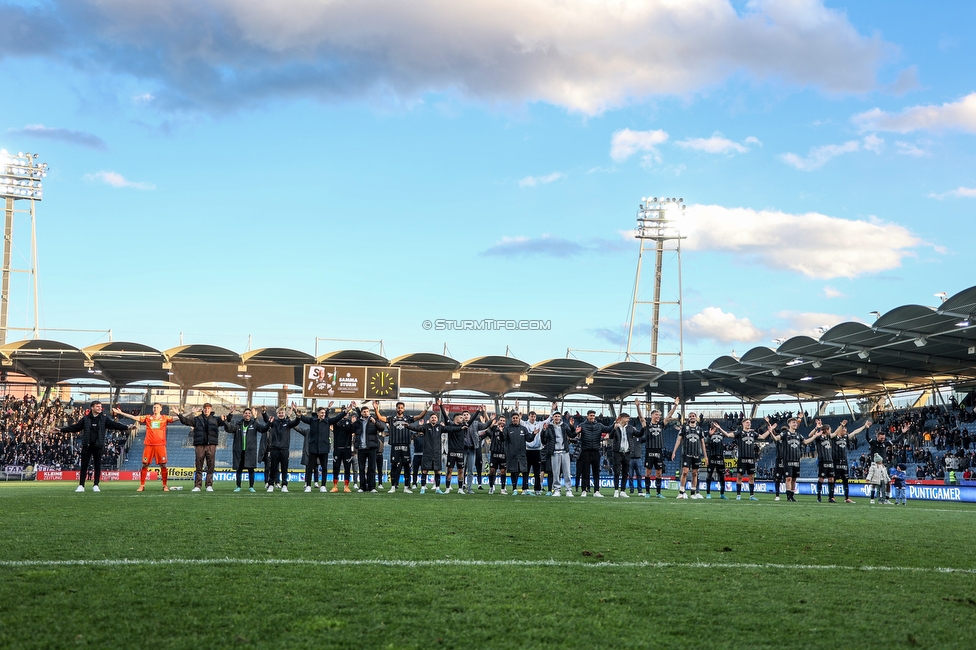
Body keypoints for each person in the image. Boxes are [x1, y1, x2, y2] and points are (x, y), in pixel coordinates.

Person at [57, 400, 130, 492]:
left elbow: (114, 425)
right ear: (92, 407)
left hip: (98, 445)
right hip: (87, 445)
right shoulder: (85, 419)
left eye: (100, 406)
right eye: (97, 406)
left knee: (97, 465)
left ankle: (96, 484)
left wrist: (127, 427)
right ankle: (81, 485)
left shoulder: (104, 419)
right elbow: (75, 427)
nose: (100, 408)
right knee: (84, 465)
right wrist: (61, 430)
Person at [112, 403, 178, 492]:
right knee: (145, 464)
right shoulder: (147, 417)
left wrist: (186, 413)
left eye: (157, 407)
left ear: (161, 409)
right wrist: (122, 413)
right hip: (149, 445)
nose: (155, 409)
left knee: (163, 465)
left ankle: (165, 485)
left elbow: (177, 418)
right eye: (154, 407)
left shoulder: (165, 418)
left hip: (160, 445)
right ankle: (142, 485)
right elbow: (135, 417)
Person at [375, 400, 430, 493]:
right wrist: (376, 408)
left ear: (404, 409)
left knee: (407, 466)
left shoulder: (408, 418)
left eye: (401, 407)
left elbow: (420, 416)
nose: (400, 409)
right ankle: (392, 486)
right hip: (395, 444)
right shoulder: (391, 418)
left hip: (405, 445)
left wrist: (426, 408)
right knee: (393, 466)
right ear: (396, 408)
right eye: (398, 407)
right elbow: (380, 417)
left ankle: (406, 487)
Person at [176, 402, 233, 492]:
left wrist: (230, 414)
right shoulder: (197, 419)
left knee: (211, 465)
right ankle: (197, 486)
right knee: (199, 465)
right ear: (203, 409)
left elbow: (226, 421)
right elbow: (185, 421)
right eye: (205, 408)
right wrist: (179, 414)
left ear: (211, 409)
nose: (207, 410)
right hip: (200, 444)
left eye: (208, 408)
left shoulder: (216, 419)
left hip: (211, 444)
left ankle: (209, 485)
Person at [408, 409, 464, 493]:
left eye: (435, 417)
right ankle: (423, 488)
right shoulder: (425, 427)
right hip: (427, 453)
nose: (433, 419)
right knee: (424, 470)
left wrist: (460, 428)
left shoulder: (440, 427)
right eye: (432, 417)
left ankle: (437, 488)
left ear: (437, 419)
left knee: (437, 471)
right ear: (430, 419)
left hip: (437, 453)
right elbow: (416, 428)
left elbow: (451, 429)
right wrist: (408, 426)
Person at [714, 417, 770, 501]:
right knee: (739, 476)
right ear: (743, 423)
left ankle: (751, 495)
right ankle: (738, 495)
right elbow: (728, 435)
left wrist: (770, 430)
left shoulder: (752, 433)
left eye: (749, 423)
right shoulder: (739, 432)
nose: (749, 424)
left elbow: (762, 437)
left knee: (751, 477)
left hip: (751, 458)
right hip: (742, 458)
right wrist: (720, 428)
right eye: (747, 422)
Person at [297, 402, 345, 493]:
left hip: (324, 447)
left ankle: (323, 485)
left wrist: (345, 412)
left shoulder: (328, 421)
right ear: (318, 413)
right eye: (321, 413)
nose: (323, 414)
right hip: (313, 447)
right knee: (310, 468)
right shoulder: (312, 421)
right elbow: (303, 418)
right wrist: (297, 413)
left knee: (324, 468)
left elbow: (337, 418)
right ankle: (308, 486)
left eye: (324, 413)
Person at [635, 397, 678, 498]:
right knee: (648, 472)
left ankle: (658, 493)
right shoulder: (647, 425)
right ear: (652, 415)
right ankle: (648, 492)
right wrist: (638, 406)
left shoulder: (661, 425)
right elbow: (641, 418)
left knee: (659, 473)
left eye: (659, 415)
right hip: (649, 450)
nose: (658, 416)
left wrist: (675, 405)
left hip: (659, 451)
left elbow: (669, 415)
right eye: (656, 415)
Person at [223, 407, 269, 492]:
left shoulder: (254, 424)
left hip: (250, 451)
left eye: (249, 413)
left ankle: (251, 486)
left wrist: (269, 423)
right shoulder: (238, 424)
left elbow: (263, 429)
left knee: (251, 469)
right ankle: (238, 486)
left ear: (251, 415)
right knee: (239, 469)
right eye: (246, 413)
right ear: (243, 414)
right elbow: (229, 429)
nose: (247, 414)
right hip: (239, 451)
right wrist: (225, 422)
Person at [260, 406, 302, 492]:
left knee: (284, 468)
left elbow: (295, 422)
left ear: (284, 414)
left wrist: (298, 416)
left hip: (284, 449)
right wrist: (264, 413)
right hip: (274, 449)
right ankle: (271, 484)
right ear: (277, 414)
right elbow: (266, 420)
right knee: (273, 468)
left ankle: (284, 485)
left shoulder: (288, 422)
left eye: (282, 413)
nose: (281, 414)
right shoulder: (273, 422)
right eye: (279, 413)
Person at [830, 418, 871, 504]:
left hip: (844, 461)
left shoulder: (846, 437)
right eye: (845, 429)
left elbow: (855, 432)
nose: (846, 431)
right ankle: (831, 497)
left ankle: (847, 498)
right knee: (833, 480)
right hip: (835, 461)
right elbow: (834, 433)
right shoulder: (834, 437)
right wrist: (841, 425)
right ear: (840, 430)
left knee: (846, 480)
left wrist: (864, 426)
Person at [575, 410, 614, 497]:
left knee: (596, 472)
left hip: (596, 451)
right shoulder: (582, 425)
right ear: (587, 416)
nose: (592, 417)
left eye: (593, 415)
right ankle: (584, 490)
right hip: (585, 451)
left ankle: (596, 491)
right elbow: (575, 435)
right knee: (585, 472)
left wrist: (615, 423)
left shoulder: (599, 425)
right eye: (591, 415)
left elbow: (608, 429)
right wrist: (576, 431)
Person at [500, 411, 538, 495]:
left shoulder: (523, 429)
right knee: (514, 472)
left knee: (524, 471)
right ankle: (514, 489)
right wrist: (501, 432)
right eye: (513, 418)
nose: (515, 419)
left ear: (519, 419)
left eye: (516, 418)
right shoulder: (507, 428)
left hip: (522, 454)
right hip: (512, 454)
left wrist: (533, 434)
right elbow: (503, 439)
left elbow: (529, 439)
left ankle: (525, 489)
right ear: (511, 419)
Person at [350, 403, 386, 493]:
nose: (365, 413)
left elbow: (382, 428)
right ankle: (362, 486)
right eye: (363, 412)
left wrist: (376, 422)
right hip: (361, 448)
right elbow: (351, 430)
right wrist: (353, 422)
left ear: (369, 412)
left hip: (372, 447)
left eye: (366, 411)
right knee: (361, 468)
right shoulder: (358, 422)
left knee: (372, 468)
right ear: (361, 413)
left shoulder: (373, 420)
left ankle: (372, 487)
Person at [671, 410, 706, 499]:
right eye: (690, 416)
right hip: (686, 454)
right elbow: (678, 440)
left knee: (695, 473)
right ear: (688, 418)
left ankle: (693, 493)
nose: (692, 417)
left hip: (697, 454)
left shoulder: (699, 429)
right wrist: (674, 452)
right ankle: (682, 492)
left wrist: (705, 456)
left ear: (696, 417)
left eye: (693, 416)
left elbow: (702, 443)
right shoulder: (684, 428)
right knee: (685, 472)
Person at [542, 409, 577, 497]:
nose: (557, 418)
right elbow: (544, 440)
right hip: (554, 452)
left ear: (560, 417)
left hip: (564, 451)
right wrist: (544, 430)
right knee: (556, 473)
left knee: (567, 472)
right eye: (555, 416)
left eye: (558, 416)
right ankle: (557, 490)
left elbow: (572, 435)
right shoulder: (549, 427)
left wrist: (573, 427)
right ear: (553, 417)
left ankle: (569, 490)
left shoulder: (564, 426)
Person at [768, 417, 803, 502]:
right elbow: (775, 438)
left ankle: (791, 496)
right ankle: (778, 495)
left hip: (790, 459)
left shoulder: (792, 437)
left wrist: (799, 419)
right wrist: (770, 429)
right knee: (779, 478)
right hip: (781, 459)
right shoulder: (782, 436)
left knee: (792, 478)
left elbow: (803, 440)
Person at [804, 420, 836, 503]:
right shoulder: (819, 437)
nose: (830, 431)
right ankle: (818, 497)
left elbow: (835, 433)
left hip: (830, 460)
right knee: (821, 479)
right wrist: (817, 428)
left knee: (831, 479)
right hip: (822, 460)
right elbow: (810, 435)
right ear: (826, 430)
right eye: (829, 429)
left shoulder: (829, 437)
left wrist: (842, 426)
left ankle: (831, 497)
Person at [609, 413, 639, 498]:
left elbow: (639, 434)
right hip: (617, 452)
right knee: (617, 472)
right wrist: (614, 429)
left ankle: (622, 491)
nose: (628, 420)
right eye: (627, 418)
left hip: (627, 453)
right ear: (622, 418)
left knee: (625, 472)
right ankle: (616, 490)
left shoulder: (630, 428)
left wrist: (644, 428)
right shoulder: (616, 426)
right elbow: (611, 436)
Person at [331, 404, 356, 492]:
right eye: (345, 412)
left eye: (347, 412)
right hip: (337, 448)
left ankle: (346, 486)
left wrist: (353, 423)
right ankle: (335, 486)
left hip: (347, 448)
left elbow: (353, 431)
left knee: (347, 468)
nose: (346, 414)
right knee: (336, 467)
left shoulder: (349, 422)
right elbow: (332, 421)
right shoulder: (336, 421)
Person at [703, 421, 728, 500]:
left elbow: (728, 434)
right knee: (709, 475)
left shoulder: (721, 433)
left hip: (720, 457)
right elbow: (705, 442)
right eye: (713, 424)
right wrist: (709, 435)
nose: (714, 426)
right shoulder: (707, 432)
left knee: (721, 476)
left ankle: (722, 494)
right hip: (711, 456)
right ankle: (708, 493)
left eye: (716, 424)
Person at [484, 414, 508, 494]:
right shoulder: (494, 428)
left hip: (503, 453)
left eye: (504, 421)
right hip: (494, 452)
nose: (502, 422)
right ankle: (491, 487)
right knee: (492, 471)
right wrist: (489, 418)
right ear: (498, 421)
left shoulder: (507, 430)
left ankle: (503, 488)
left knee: (503, 471)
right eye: (501, 420)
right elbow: (488, 428)